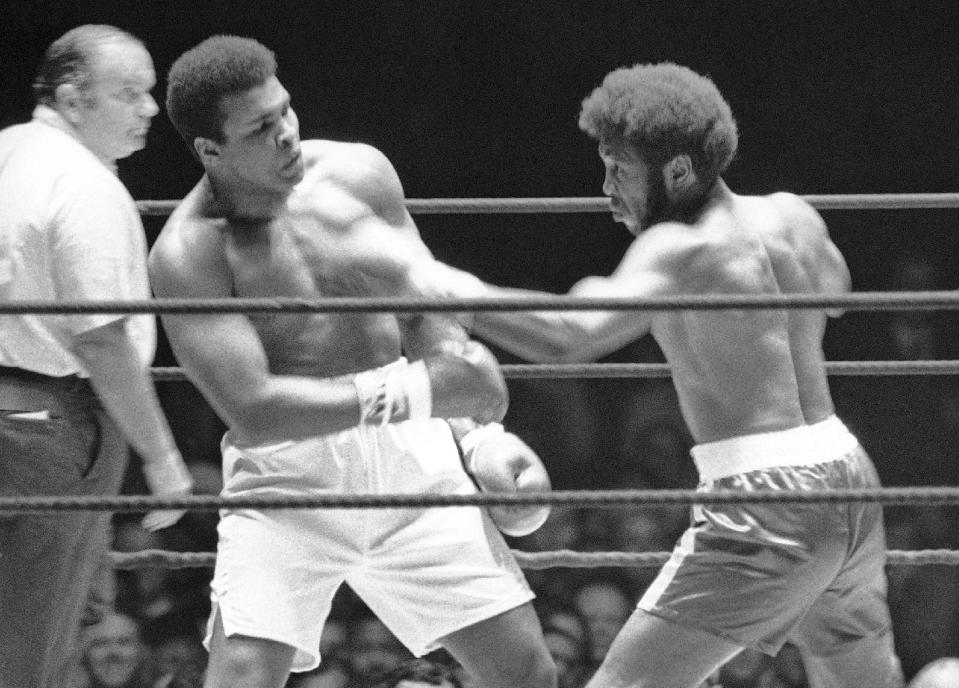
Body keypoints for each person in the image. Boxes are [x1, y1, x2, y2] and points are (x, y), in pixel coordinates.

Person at [441, 62, 905, 687]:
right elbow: (838, 294)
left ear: (679, 171)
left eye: (620, 170)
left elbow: (571, 336)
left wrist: (448, 291)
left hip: (766, 502)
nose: (606, 189)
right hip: (849, 475)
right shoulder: (792, 214)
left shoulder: (677, 250)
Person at [148, 35, 555, 688]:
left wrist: (477, 437)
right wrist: (422, 393)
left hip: (412, 463)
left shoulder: (358, 173)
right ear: (210, 150)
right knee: (240, 680)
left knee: (526, 673)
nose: (285, 134)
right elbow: (253, 409)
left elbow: (427, 307)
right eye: (260, 127)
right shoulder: (191, 253)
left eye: (284, 110)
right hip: (289, 482)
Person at [0, 25, 192, 688]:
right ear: (73, 97)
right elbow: (103, 338)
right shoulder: (84, 185)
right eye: (129, 93)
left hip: (20, 418)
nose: (148, 109)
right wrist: (163, 459)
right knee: (35, 642)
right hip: (49, 429)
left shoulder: (7, 151)